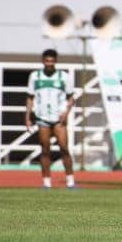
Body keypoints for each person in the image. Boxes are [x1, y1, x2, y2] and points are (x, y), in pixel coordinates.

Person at [26, 49, 77, 190]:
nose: (49, 63)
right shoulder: (35, 76)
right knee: (45, 149)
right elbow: (30, 97)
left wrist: (66, 113)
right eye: (47, 61)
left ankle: (70, 182)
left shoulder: (64, 76)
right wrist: (27, 117)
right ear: (43, 61)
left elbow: (71, 98)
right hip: (42, 117)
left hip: (58, 119)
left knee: (64, 148)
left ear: (56, 61)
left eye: (52, 61)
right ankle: (46, 182)